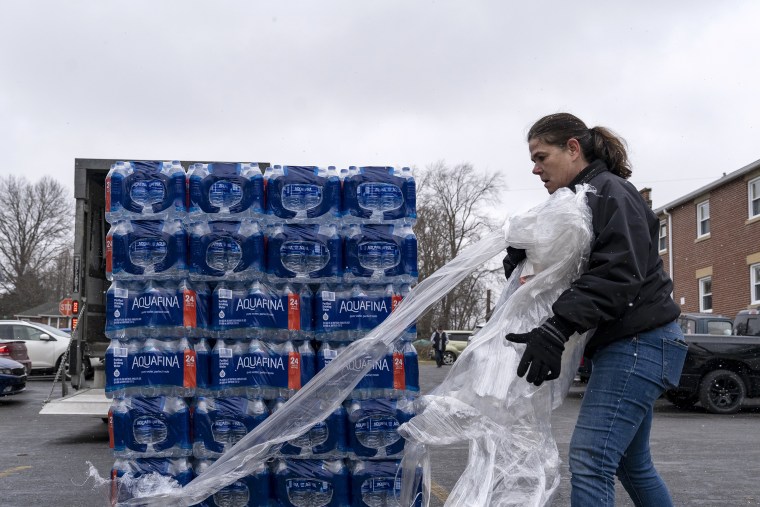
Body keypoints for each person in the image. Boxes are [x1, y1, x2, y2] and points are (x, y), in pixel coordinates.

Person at [503, 113, 688, 507]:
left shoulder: (610, 192)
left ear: (573, 148)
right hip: (636, 342)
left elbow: (619, 271)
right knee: (631, 465)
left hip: (640, 342)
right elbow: (581, 264)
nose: (535, 169)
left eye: (541, 156)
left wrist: (558, 327)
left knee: (591, 459)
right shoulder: (581, 200)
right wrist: (530, 253)